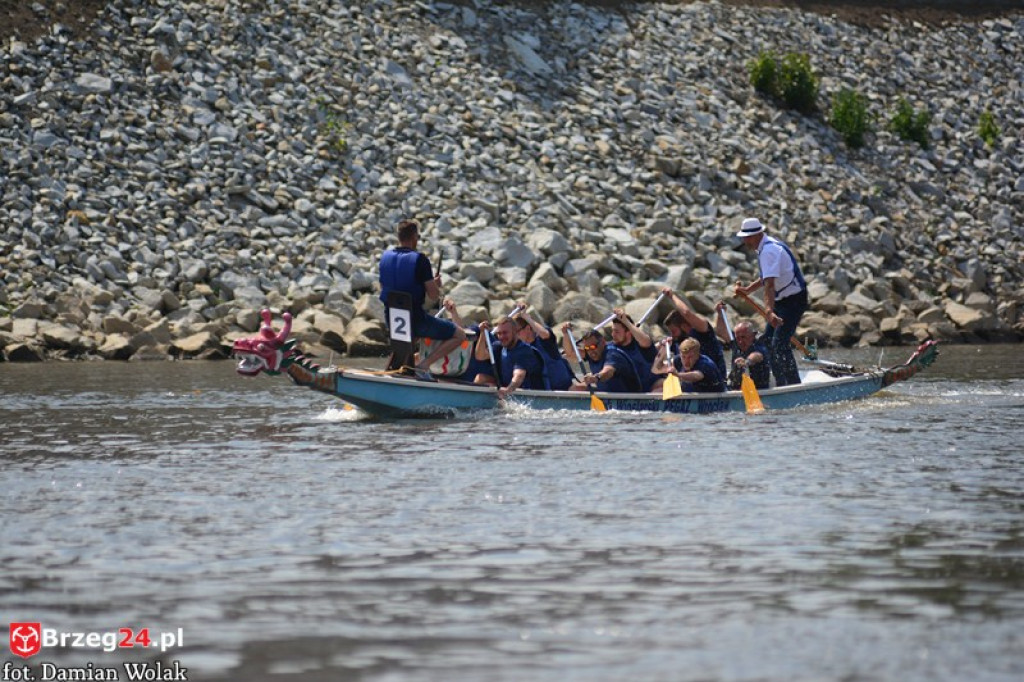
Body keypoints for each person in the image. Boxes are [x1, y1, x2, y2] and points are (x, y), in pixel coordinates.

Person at [378, 219, 466, 374]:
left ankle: (398, 367)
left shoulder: (385, 257)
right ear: (413, 237)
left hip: (391, 319)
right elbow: (433, 296)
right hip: (416, 320)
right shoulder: (420, 260)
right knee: (460, 334)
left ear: (399, 237)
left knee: (409, 337)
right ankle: (424, 365)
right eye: (417, 237)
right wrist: (435, 285)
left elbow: (386, 287)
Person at [733, 217, 807, 386]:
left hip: (794, 300)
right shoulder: (765, 247)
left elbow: (770, 286)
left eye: (747, 237)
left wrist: (769, 311)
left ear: (757, 234)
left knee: (780, 344)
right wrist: (747, 290)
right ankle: (777, 381)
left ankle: (792, 385)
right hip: (782, 300)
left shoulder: (768, 251)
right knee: (767, 342)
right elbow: (765, 277)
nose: (745, 241)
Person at [660, 287, 727, 380]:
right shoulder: (677, 341)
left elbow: (686, 313)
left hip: (713, 383)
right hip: (690, 384)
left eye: (674, 331)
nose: (672, 335)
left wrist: (672, 296)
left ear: (683, 326)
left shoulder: (703, 331)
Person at [475, 316, 549, 399]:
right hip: (509, 389)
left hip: (531, 395)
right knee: (480, 378)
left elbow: (519, 376)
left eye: (505, 333)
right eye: (499, 333)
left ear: (515, 332)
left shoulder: (524, 350)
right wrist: (482, 334)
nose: (502, 337)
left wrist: (507, 391)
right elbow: (480, 356)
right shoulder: (499, 346)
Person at [560, 323, 642, 393]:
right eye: (587, 348)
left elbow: (608, 371)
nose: (591, 352)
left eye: (593, 347)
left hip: (629, 398)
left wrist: (596, 377)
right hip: (609, 393)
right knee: (575, 388)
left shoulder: (613, 354)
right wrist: (566, 334)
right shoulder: (592, 353)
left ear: (603, 342)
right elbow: (570, 353)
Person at [512, 303, 576, 391]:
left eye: (517, 332)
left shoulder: (545, 341)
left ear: (527, 328)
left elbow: (545, 334)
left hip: (563, 389)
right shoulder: (520, 349)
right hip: (542, 392)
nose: (515, 336)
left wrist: (526, 317)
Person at [714, 302, 771, 390]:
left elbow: (757, 356)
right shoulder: (735, 342)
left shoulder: (759, 345)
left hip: (758, 391)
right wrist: (720, 314)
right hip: (736, 389)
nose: (740, 341)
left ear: (753, 335)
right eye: (738, 338)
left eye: (744, 337)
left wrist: (746, 362)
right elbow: (720, 331)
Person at [441, 299, 496, 386]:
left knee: (480, 378)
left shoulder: (483, 336)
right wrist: (453, 312)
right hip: (460, 379)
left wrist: (453, 312)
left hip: (480, 381)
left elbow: (462, 332)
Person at [608, 309, 660, 392]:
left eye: (617, 332)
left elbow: (646, 340)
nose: (612, 334)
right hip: (624, 393)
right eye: (612, 331)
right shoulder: (610, 348)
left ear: (628, 332)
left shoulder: (642, 345)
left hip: (649, 393)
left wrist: (626, 321)